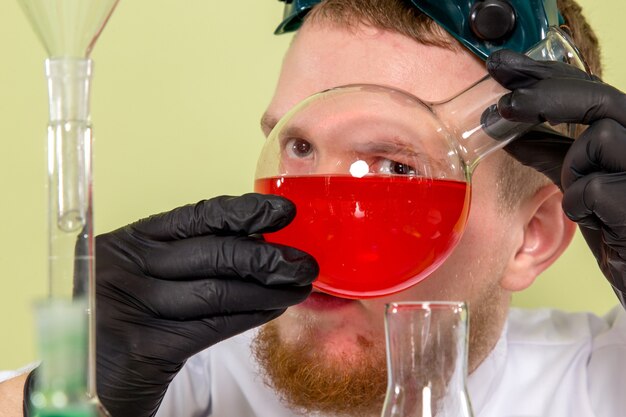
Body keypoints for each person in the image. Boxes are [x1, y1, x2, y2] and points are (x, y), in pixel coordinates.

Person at [2, 0, 626, 416]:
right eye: (298, 146)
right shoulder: (185, 372)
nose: (314, 231)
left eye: (398, 166)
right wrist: (63, 391)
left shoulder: (598, 384)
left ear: (533, 237)